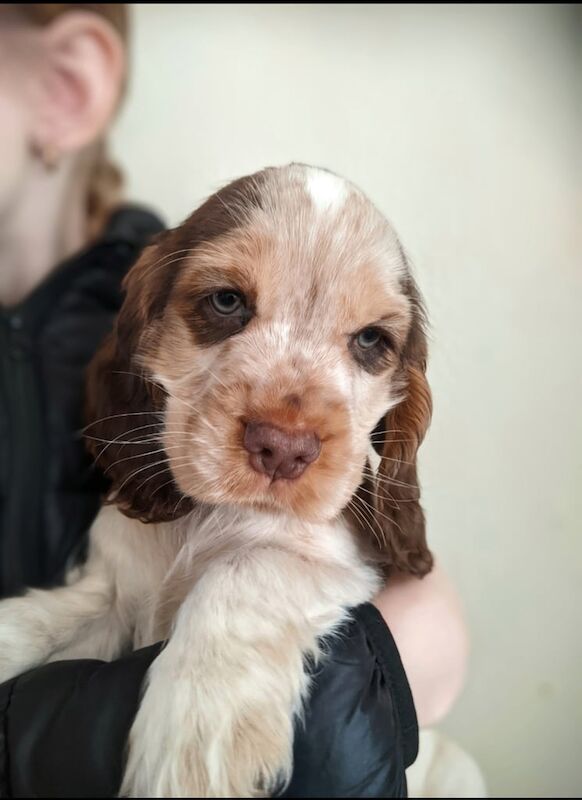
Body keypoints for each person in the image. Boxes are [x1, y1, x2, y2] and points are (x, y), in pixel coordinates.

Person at [0, 4, 468, 796]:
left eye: (367, 343)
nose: (289, 429)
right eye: (226, 304)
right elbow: (109, 602)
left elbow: (422, 626)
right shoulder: (133, 453)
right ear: (142, 340)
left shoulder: (342, 501)